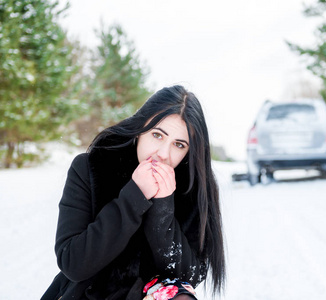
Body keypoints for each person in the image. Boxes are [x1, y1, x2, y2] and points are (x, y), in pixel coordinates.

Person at [42, 85, 226, 300]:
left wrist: (162, 206)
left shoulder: (193, 188)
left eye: (178, 144)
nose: (163, 154)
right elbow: (73, 264)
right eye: (157, 135)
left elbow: (189, 276)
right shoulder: (91, 168)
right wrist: (134, 197)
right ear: (140, 129)